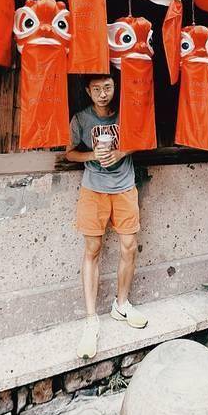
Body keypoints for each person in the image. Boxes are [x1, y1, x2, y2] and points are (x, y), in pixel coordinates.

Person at [66, 73, 148, 359]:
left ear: (115, 88)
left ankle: (121, 304)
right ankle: (91, 320)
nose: (103, 93)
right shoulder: (80, 119)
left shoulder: (128, 113)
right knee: (93, 249)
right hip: (93, 189)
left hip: (125, 187)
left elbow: (145, 137)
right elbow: (70, 153)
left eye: (108, 87)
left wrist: (121, 151)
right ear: (89, 91)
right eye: (97, 89)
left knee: (129, 246)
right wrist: (92, 156)